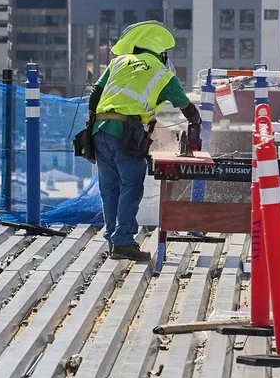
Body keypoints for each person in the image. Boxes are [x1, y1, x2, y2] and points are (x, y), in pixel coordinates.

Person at [85, 21, 203, 262]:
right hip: (126, 133)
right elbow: (186, 107)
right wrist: (196, 123)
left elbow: (95, 92)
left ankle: (113, 238)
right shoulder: (162, 73)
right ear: (160, 53)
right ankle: (125, 241)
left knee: (109, 188)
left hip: (99, 129)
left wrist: (91, 126)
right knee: (131, 186)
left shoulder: (118, 62)